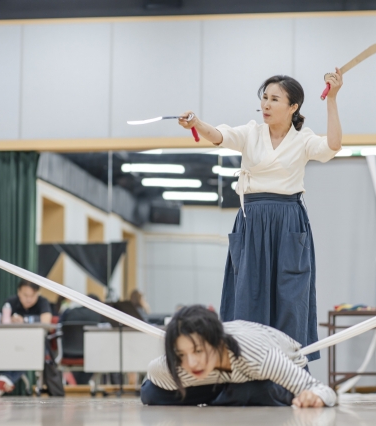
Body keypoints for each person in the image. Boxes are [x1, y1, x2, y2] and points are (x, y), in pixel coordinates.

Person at [178, 71, 343, 361]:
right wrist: (196, 122)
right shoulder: (251, 132)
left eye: (274, 99)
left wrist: (331, 98)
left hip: (289, 221)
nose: (266, 104)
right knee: (247, 295)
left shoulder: (303, 139)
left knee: (291, 298)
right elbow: (218, 135)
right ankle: (246, 369)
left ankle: (291, 371)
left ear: (293, 107)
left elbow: (332, 146)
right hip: (252, 221)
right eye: (264, 98)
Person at [141, 305, 336, 407]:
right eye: (182, 354)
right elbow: (151, 385)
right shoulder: (172, 366)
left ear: (217, 342)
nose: (191, 362)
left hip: (271, 370)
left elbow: (321, 390)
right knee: (150, 393)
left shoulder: (257, 354)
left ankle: (234, 395)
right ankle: (227, 396)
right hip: (219, 380)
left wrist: (315, 397)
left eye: (198, 351)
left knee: (249, 391)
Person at [0, 280, 52, 396]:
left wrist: (24, 320)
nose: (28, 299)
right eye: (25, 295)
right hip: (12, 342)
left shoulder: (42, 302)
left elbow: (46, 322)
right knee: (4, 349)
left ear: (37, 293)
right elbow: (1, 320)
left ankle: (3, 380)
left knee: (27, 352)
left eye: (32, 296)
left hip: (36, 344)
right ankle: (4, 380)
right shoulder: (10, 302)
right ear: (19, 292)